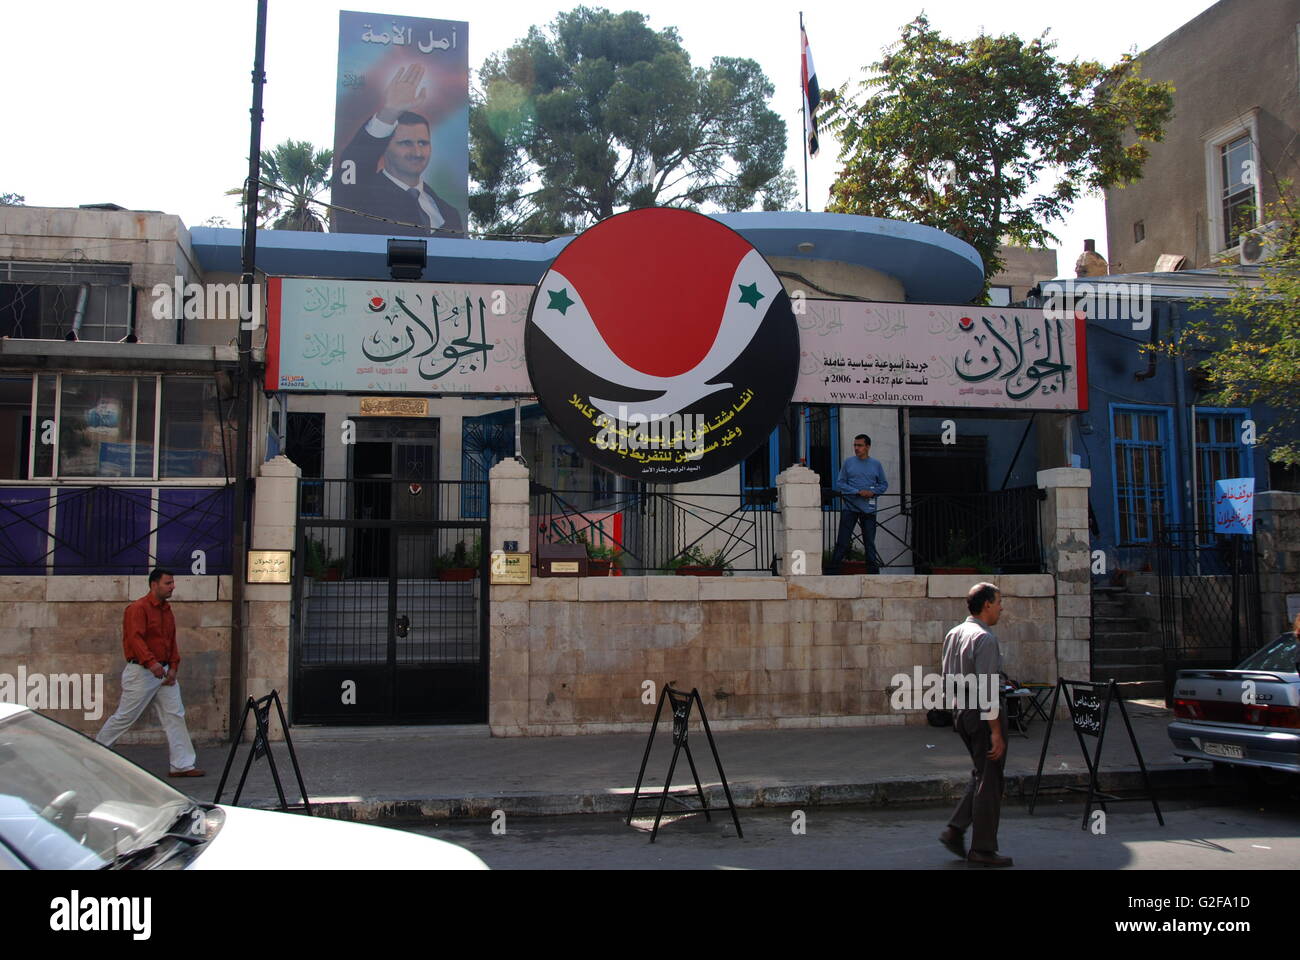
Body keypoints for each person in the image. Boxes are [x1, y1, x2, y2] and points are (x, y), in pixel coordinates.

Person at [332, 64, 464, 236]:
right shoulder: (360, 193)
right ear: (384, 147)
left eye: (423, 143)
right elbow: (353, 162)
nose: (417, 152)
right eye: (405, 143)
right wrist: (389, 113)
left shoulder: (449, 213)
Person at [96, 568, 204, 777]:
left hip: (162, 670)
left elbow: (171, 640)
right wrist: (152, 663)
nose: (172, 587)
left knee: (175, 715)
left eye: (172, 583)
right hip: (142, 671)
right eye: (168, 583)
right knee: (125, 717)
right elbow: (135, 639)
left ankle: (182, 765)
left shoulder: (166, 610)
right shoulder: (138, 608)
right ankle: (94, 753)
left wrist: (173, 667)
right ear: (154, 584)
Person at [938, 582, 1011, 867]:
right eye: (999, 601)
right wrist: (995, 731)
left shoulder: (954, 634)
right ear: (987, 605)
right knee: (991, 779)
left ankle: (955, 829)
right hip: (982, 714)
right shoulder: (984, 638)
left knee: (982, 773)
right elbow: (987, 688)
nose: (1001, 607)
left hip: (961, 712)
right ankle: (982, 849)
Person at [829, 433, 887, 573]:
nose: (856, 448)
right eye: (855, 445)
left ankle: (872, 573)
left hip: (869, 509)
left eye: (859, 445)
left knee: (869, 542)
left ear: (867, 447)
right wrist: (856, 491)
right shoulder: (848, 462)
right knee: (843, 540)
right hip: (850, 507)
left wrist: (872, 493)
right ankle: (833, 571)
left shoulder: (876, 464)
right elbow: (840, 483)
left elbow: (883, 484)